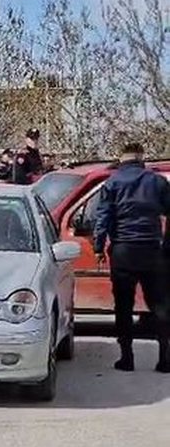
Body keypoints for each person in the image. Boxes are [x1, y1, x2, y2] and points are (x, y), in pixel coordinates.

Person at [93, 142, 170, 373]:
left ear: (121, 158)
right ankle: (164, 359)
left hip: (123, 250)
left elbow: (103, 217)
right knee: (159, 305)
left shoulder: (113, 182)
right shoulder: (157, 182)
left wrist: (98, 246)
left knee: (123, 306)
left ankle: (127, 358)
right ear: (141, 158)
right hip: (152, 251)